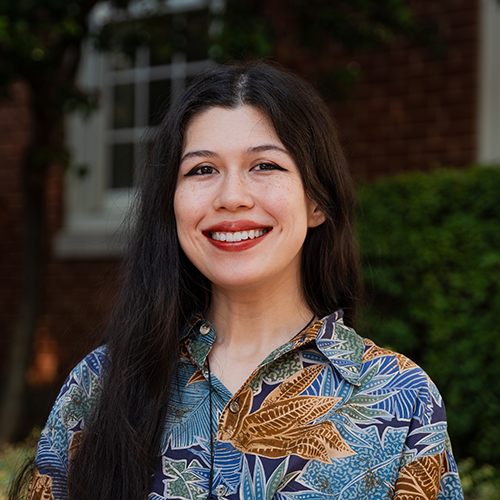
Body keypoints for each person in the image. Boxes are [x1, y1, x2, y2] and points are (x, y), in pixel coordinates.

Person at [26, 62, 463, 500]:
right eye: (202, 170)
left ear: (317, 202)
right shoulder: (99, 385)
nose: (232, 197)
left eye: (265, 165)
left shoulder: (400, 396)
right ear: (171, 203)